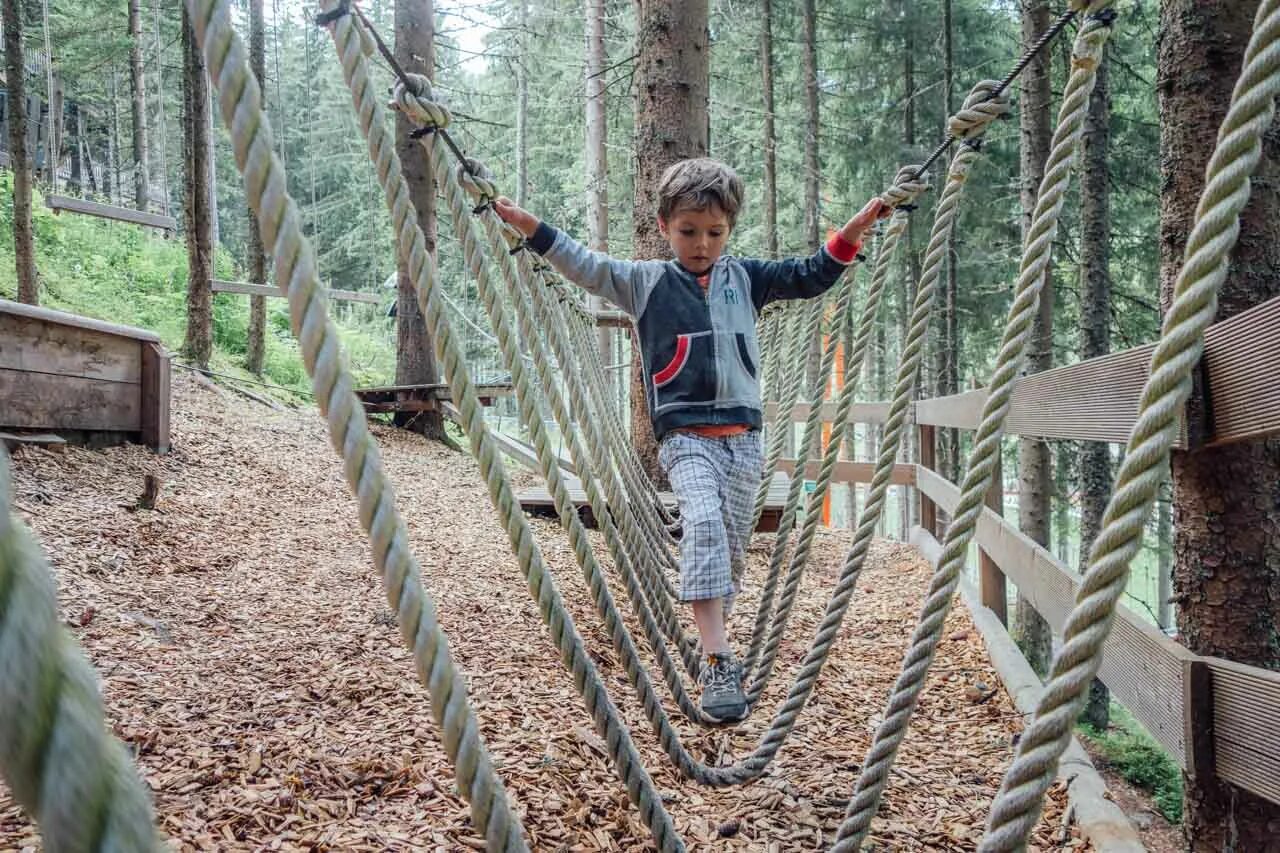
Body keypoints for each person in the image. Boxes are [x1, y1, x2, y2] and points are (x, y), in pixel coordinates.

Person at [494, 157, 887, 722]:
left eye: (714, 233)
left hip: (745, 438)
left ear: (728, 231)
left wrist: (851, 233)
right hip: (684, 437)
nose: (701, 244)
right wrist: (530, 227)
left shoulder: (747, 279)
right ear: (664, 227)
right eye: (687, 231)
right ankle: (717, 659)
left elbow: (810, 275)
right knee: (701, 521)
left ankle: (715, 627)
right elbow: (582, 264)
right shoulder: (644, 283)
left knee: (727, 548)